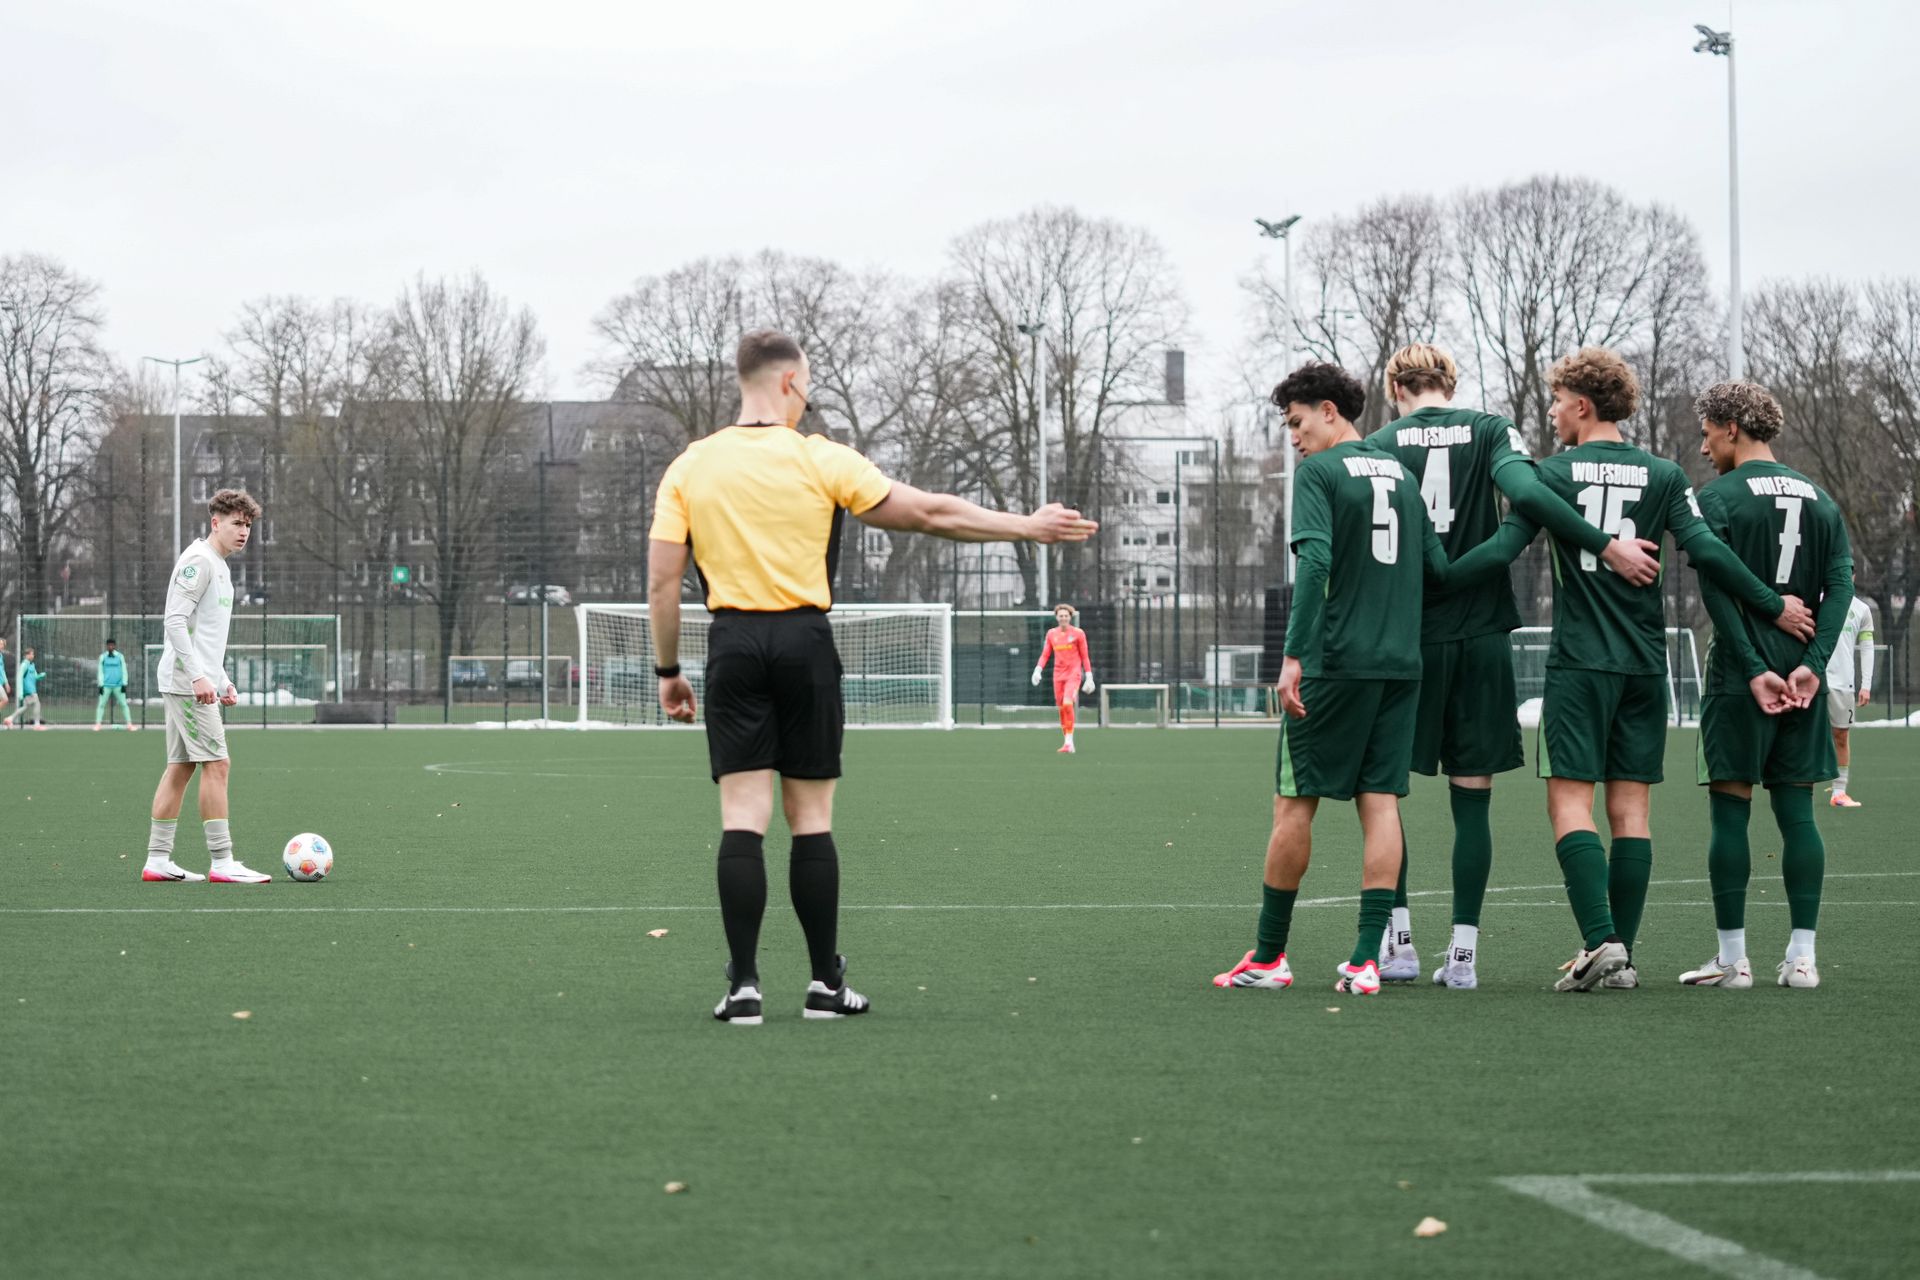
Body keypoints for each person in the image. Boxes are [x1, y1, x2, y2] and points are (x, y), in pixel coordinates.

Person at [649, 328, 1097, 1025]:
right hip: (804, 642)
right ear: (792, 383)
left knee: (742, 817)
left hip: (732, 644)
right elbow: (929, 513)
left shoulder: (691, 466)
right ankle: (825, 985)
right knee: (811, 820)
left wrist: (668, 671)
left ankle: (743, 986)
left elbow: (661, 583)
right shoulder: (821, 458)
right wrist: (1026, 527)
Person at [1458, 349, 1814, 990]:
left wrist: (1440, 577)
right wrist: (1772, 603)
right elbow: (1706, 550)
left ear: (1583, 405)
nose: (1551, 410)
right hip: (1647, 667)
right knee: (1632, 815)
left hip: (1580, 663)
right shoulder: (1666, 473)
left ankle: (1601, 940)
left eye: (1558, 399)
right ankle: (1620, 961)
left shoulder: (1554, 474)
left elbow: (1504, 548)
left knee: (1570, 804)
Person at [1367, 343, 1661, 989]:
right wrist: (1607, 544)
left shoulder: (1381, 442)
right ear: (1452, 382)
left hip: (1404, 638)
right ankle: (1465, 958)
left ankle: (1400, 946)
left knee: (1384, 799)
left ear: (1397, 388)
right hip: (1480, 639)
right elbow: (1526, 496)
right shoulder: (1492, 428)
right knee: (1472, 802)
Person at [1213, 362, 1464, 997]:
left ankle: (1270, 958)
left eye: (1297, 423)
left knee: (1294, 802)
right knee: (1380, 804)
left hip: (1335, 664)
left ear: (1330, 411)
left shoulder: (1320, 474)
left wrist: (1295, 655)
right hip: (1400, 666)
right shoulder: (1403, 477)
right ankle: (1364, 962)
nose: (1293, 439)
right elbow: (1437, 568)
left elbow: (1316, 562)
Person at [1682, 381, 1852, 991]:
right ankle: (1802, 960)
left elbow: (1715, 588)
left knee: (1730, 810)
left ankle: (1733, 963)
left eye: (1706, 432)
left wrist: (1754, 667)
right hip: (1803, 677)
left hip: (1742, 675)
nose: (1703, 446)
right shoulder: (1822, 500)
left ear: (1731, 427)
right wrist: (1813, 662)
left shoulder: (1718, 497)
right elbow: (1840, 586)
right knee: (1797, 813)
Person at [142, 489, 274, 884]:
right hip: (186, 683)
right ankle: (222, 862)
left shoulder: (219, 565)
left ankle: (157, 860)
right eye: (236, 522)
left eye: (248, 524)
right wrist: (199, 677)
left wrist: (222, 679)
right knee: (217, 764)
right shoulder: (199, 562)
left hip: (193, 679)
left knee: (180, 767)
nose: (243, 531)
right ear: (215, 522)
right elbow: (175, 621)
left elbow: (206, 634)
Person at [1826, 581, 1875, 807]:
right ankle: (1796, 788)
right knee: (1801, 735)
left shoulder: (1861, 609)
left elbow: (1866, 648)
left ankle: (1839, 792)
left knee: (1841, 736)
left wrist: (1865, 684)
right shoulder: (1815, 602)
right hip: (1812, 681)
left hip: (1843, 684)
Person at [1031, 603, 1094, 753]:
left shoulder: (1078, 633)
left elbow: (1085, 656)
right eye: (1061, 616)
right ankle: (1067, 742)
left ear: (1070, 617)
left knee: (1067, 704)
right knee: (1061, 708)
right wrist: (1038, 670)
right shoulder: (1052, 634)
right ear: (1057, 617)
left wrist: (1089, 676)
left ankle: (1069, 741)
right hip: (1058, 675)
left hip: (1073, 674)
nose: (1063, 618)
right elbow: (1046, 653)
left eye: (1066, 616)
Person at [96, 638, 134, 731]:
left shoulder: (120, 657)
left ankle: (129, 724)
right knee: (101, 704)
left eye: (112, 645)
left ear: (115, 646)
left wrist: (124, 683)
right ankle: (98, 724)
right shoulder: (103, 657)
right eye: (109, 645)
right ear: (107, 646)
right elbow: (100, 671)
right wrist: (100, 684)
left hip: (118, 685)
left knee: (124, 704)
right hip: (106, 686)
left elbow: (124, 670)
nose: (111, 647)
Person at [3, 648, 46, 730]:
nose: (33, 655)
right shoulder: (24, 665)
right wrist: (20, 692)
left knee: (25, 707)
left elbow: (35, 676)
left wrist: (40, 676)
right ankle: (37, 725)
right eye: (31, 654)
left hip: (32, 689)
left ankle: (9, 719)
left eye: (33, 654)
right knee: (37, 704)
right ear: (27, 655)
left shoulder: (31, 665)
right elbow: (19, 677)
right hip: (28, 690)